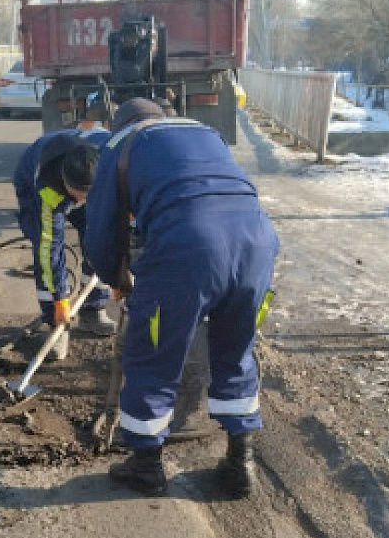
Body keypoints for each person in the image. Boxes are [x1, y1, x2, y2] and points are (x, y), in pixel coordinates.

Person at [84, 97, 279, 497]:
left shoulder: (120, 145)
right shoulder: (205, 133)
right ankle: (240, 462)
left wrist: (115, 279)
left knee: (154, 353)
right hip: (257, 243)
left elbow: (103, 231)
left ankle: (146, 466)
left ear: (120, 123)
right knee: (236, 350)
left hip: (190, 247)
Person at [13, 128, 116, 362]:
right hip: (31, 181)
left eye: (88, 195)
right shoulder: (47, 189)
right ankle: (56, 324)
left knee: (96, 235)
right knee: (45, 249)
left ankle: (93, 308)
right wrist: (60, 297)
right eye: (78, 194)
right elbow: (50, 249)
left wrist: (117, 272)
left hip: (85, 173)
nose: (82, 201)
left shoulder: (106, 166)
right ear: (66, 183)